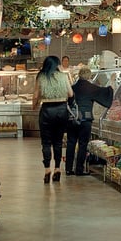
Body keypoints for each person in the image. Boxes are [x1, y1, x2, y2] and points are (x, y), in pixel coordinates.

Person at [66, 66, 113, 176]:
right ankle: (79, 169)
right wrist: (111, 86)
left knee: (71, 143)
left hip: (72, 118)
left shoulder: (72, 87)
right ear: (89, 76)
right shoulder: (91, 88)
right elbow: (105, 93)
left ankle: (68, 169)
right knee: (83, 144)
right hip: (85, 120)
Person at [32, 55, 73, 183]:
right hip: (61, 111)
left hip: (47, 111)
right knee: (58, 142)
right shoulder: (63, 76)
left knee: (46, 142)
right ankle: (57, 169)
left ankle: (47, 170)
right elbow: (71, 94)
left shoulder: (41, 77)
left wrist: (34, 106)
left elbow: (36, 95)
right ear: (57, 65)